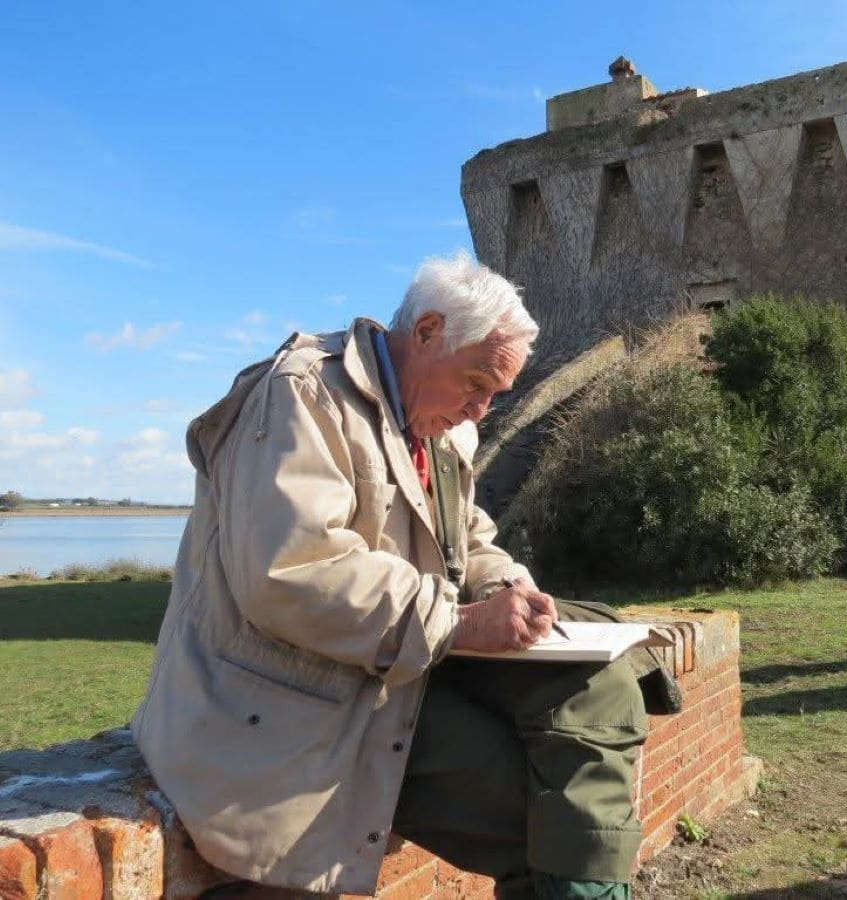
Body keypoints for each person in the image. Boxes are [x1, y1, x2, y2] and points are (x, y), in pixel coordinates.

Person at [133, 254, 670, 899]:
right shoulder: (302, 394)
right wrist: (463, 621)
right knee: (547, 825)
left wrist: (505, 587)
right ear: (425, 332)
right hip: (294, 697)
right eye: (477, 382)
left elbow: (467, 539)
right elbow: (291, 573)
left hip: (387, 674)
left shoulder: (443, 426)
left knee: (587, 732)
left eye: (497, 393)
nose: (482, 410)